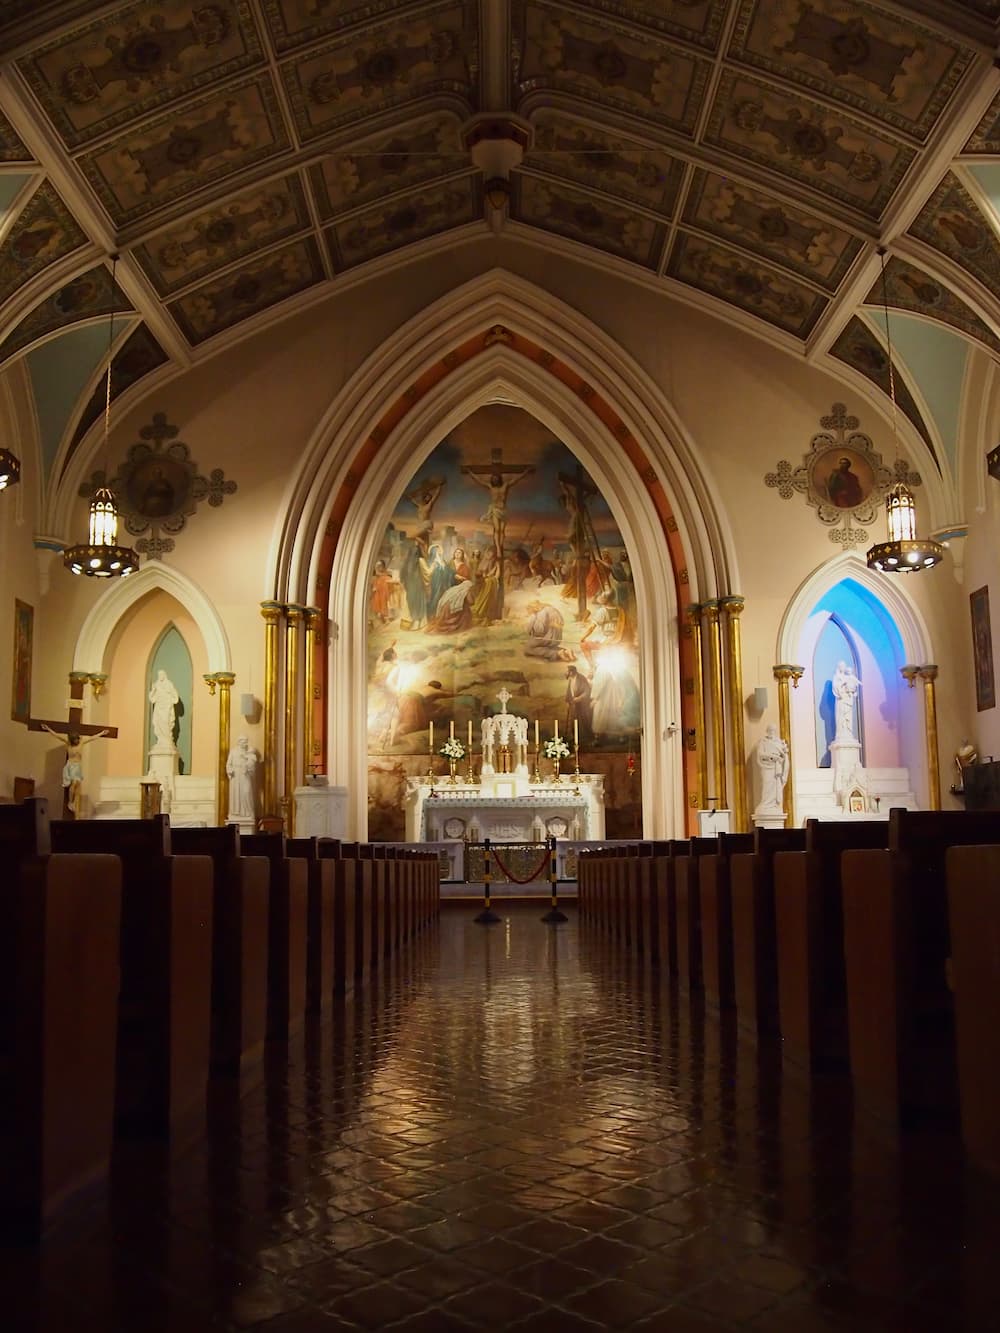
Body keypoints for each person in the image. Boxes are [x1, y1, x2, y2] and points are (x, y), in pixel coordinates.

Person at [41, 724, 109, 819]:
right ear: (72, 740)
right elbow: (56, 735)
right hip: (70, 765)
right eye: (75, 740)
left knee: (76, 784)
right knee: (74, 783)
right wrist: (48, 728)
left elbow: (92, 738)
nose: (77, 741)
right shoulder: (68, 743)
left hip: (77, 766)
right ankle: (70, 802)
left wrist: (102, 733)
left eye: (77, 739)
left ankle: (72, 803)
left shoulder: (81, 742)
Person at [467, 466, 535, 554]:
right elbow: (479, 480)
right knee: (497, 529)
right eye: (493, 479)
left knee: (502, 530)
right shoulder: (490, 487)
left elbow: (516, 479)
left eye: (496, 478)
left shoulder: (505, 486)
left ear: (499, 479)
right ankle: (498, 548)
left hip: (503, 510)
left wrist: (525, 472)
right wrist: (470, 473)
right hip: (495, 509)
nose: (495, 480)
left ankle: (501, 546)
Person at [754, 724, 789, 815]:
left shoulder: (779, 743)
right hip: (766, 767)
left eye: (773, 730)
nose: (771, 732)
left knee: (775, 785)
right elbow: (761, 754)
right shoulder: (763, 742)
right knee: (767, 784)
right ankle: (765, 804)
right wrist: (771, 756)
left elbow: (784, 756)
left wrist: (782, 755)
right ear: (767, 731)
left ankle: (774, 805)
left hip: (776, 767)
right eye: (770, 730)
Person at [226, 735, 257, 820]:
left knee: (246, 792)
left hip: (244, 775)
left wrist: (248, 763)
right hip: (235, 776)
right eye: (243, 741)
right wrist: (230, 770)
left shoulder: (249, 752)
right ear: (239, 742)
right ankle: (236, 813)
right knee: (236, 794)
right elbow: (229, 764)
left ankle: (248, 813)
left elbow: (252, 764)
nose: (245, 743)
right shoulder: (233, 751)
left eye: (246, 741)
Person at [149, 669, 180, 748]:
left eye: (162, 674)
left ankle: (167, 739)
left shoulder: (169, 684)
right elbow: (152, 699)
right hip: (159, 707)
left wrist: (171, 699)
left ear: (164, 675)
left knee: (166, 722)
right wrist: (153, 690)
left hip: (166, 706)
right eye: (159, 675)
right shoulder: (156, 684)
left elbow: (174, 695)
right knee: (158, 722)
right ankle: (161, 740)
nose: (160, 676)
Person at [832, 660, 861, 740]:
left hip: (848, 699)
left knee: (848, 716)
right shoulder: (836, 676)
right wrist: (842, 685)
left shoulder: (847, 677)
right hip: (841, 699)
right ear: (839, 667)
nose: (843, 668)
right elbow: (835, 687)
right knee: (841, 716)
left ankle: (848, 732)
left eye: (844, 666)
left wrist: (853, 691)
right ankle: (841, 734)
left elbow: (853, 685)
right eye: (841, 666)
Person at [565, 665, 592, 742]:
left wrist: (579, 698)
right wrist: (567, 701)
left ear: (571, 672)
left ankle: (588, 737)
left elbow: (587, 691)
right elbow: (569, 691)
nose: (566, 673)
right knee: (574, 721)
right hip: (574, 704)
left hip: (583, 704)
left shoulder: (581, 678)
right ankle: (575, 737)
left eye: (567, 671)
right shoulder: (571, 679)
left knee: (584, 720)